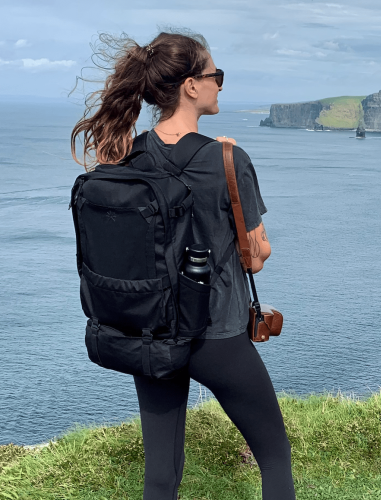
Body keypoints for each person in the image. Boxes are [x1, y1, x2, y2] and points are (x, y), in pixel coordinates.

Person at [70, 30, 296, 500]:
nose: (219, 85)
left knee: (161, 473)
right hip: (216, 334)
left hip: (149, 330)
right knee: (274, 456)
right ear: (191, 86)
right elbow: (256, 256)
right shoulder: (227, 159)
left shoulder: (127, 152)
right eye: (216, 75)